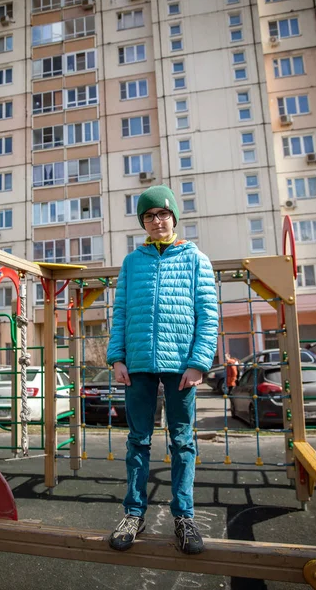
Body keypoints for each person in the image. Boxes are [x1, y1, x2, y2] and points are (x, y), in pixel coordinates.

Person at [106, 184, 219, 554]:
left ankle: (184, 517)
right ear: (143, 222)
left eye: (163, 214)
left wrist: (199, 363)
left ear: (174, 217)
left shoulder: (195, 259)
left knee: (182, 441)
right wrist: (117, 357)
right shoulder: (131, 262)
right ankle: (134, 513)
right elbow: (120, 312)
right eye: (149, 216)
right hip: (137, 364)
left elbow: (208, 316)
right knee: (138, 439)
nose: (157, 221)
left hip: (181, 367)